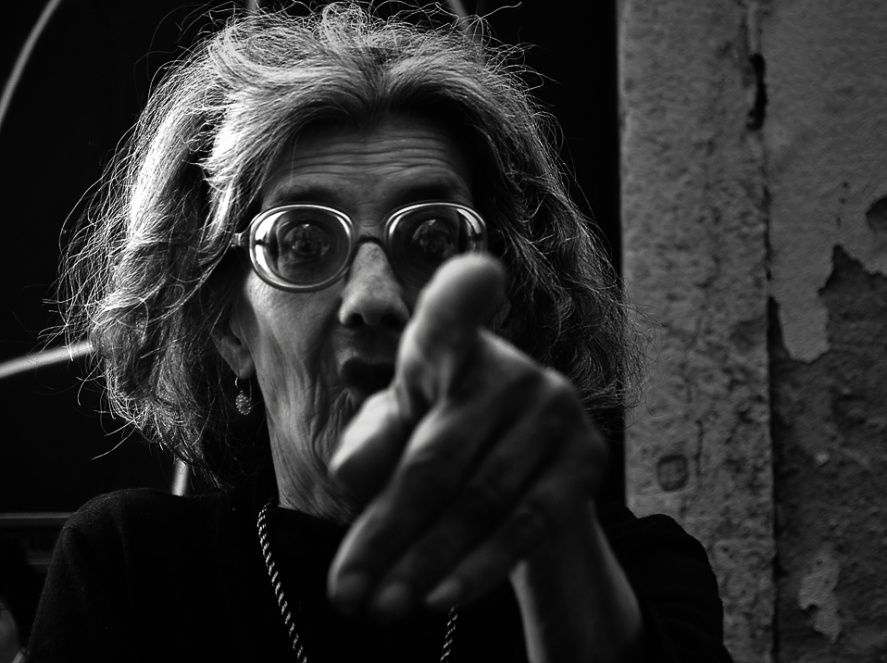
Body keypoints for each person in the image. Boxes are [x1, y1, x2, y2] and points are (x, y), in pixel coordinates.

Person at [30, 4, 732, 662]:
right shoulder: (130, 569)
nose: (373, 297)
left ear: (503, 302)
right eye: (302, 241)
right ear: (227, 327)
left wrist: (556, 555)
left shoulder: (635, 574)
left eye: (432, 238)